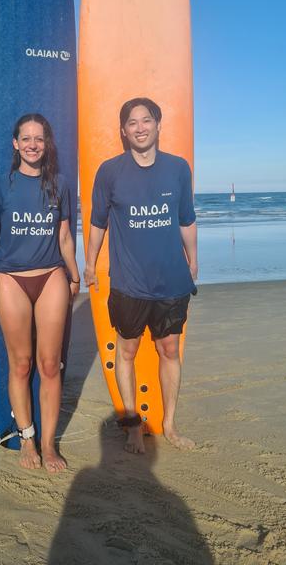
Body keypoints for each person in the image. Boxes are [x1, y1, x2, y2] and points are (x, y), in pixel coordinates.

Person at [84, 97, 197, 454]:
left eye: (146, 120)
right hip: (129, 283)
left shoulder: (178, 168)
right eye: (132, 123)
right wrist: (89, 263)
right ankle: (133, 426)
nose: (140, 128)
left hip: (171, 281)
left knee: (169, 350)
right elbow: (98, 222)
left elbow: (186, 218)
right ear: (123, 131)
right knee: (127, 351)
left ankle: (169, 424)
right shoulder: (110, 171)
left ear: (158, 124)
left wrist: (193, 261)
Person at [0, 114, 80, 472]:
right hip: (11, 280)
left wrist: (74, 274)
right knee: (20, 363)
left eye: (40, 139)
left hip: (51, 277)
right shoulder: (0, 185)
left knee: (50, 365)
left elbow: (63, 236)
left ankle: (48, 445)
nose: (33, 144)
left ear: (47, 145)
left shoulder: (60, 184)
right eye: (26, 138)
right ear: (15, 144)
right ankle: (26, 439)